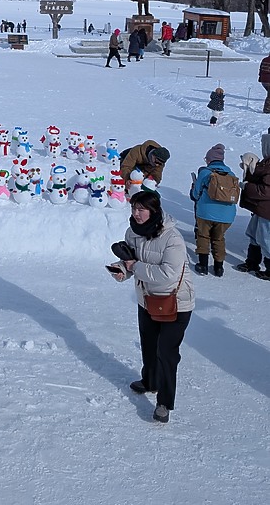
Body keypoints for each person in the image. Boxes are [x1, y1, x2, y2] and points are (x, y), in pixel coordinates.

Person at [108, 190, 194, 423]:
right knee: (148, 345)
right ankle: (150, 381)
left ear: (153, 211)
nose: (136, 214)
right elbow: (131, 261)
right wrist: (122, 270)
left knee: (166, 353)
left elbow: (168, 274)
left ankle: (164, 403)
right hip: (147, 300)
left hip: (176, 303)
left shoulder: (172, 238)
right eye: (133, 208)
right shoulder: (132, 232)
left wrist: (133, 267)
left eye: (141, 209)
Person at [190, 144, 237, 276]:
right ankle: (219, 268)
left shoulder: (205, 172)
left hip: (206, 212)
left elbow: (195, 193)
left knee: (203, 236)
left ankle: (203, 265)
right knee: (219, 238)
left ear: (209, 159)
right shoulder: (231, 174)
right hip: (227, 215)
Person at [236, 131, 270, 279]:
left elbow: (266, 191)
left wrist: (247, 186)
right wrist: (249, 169)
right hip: (260, 208)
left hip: (267, 211)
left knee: (266, 238)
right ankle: (252, 261)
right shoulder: (267, 162)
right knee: (253, 234)